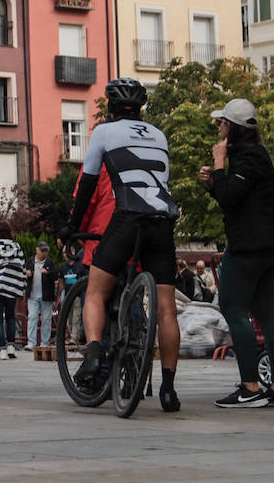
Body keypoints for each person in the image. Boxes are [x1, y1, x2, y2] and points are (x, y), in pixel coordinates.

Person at [65, 78, 182, 411]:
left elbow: (88, 182)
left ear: (112, 108)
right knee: (166, 309)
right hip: (162, 222)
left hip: (127, 217)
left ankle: (94, 354)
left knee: (96, 291)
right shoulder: (159, 135)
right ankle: (169, 390)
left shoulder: (104, 132)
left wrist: (72, 226)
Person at [199, 97, 274, 408]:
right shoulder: (257, 155)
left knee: (234, 309)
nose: (218, 127)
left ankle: (250, 387)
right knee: (268, 313)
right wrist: (213, 183)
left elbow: (230, 197)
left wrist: (219, 167)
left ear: (233, 128)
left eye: (221, 123)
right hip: (272, 246)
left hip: (249, 246)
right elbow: (235, 196)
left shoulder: (246, 158)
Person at [0, 225, 26, 360]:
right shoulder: (17, 247)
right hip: (12, 286)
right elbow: (22, 267)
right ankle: (11, 347)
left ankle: (1, 349)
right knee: (11, 317)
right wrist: (23, 286)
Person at [25, 241, 58, 349]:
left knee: (46, 319)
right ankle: (31, 342)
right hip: (33, 295)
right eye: (42, 250)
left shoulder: (50, 262)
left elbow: (56, 276)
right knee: (32, 317)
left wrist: (47, 273)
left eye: (45, 251)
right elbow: (23, 273)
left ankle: (44, 343)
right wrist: (27, 273)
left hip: (46, 296)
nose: (44, 253)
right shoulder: (30, 261)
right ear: (37, 250)